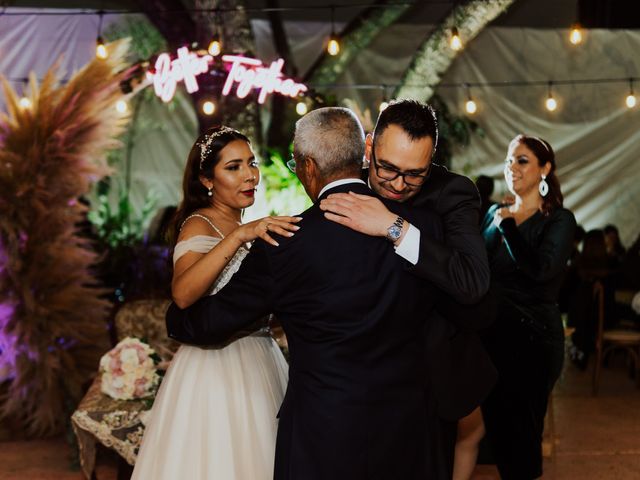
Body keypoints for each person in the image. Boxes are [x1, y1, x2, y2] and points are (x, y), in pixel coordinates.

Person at [166, 107, 444, 480]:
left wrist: (175, 317)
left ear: (309, 167)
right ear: (364, 154)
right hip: (409, 429)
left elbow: (211, 323)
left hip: (324, 435)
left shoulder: (285, 244)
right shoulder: (421, 227)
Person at [318, 99, 494, 479]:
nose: (399, 184)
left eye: (415, 174)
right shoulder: (343, 181)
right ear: (369, 148)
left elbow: (473, 282)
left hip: (426, 376)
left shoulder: (453, 192)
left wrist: (395, 227)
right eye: (388, 168)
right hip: (352, 373)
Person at [132, 126, 300, 479]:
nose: (250, 175)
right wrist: (240, 235)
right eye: (234, 167)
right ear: (207, 179)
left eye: (251, 163)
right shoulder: (198, 223)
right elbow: (183, 293)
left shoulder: (249, 224)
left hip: (260, 353)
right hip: (215, 366)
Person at [480, 134, 576, 479]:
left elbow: (541, 271)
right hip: (492, 339)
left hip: (534, 340)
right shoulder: (493, 213)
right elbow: (478, 271)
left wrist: (508, 225)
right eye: (509, 161)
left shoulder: (559, 221)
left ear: (545, 168)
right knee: (498, 433)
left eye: (522, 161)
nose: (512, 168)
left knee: (523, 434)